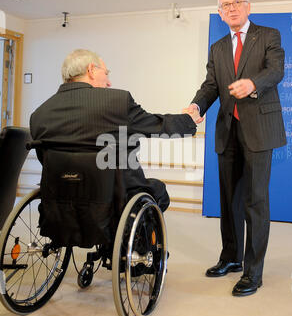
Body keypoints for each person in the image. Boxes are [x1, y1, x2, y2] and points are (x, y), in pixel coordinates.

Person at [189, 0, 286, 296]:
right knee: (230, 201)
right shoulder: (217, 48)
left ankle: (253, 272)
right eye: (225, 5)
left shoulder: (268, 36)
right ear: (220, 12)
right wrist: (196, 105)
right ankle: (230, 258)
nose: (231, 8)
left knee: (255, 201)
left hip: (259, 129)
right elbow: (210, 86)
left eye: (236, 2)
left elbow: (276, 71)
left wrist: (252, 84)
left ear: (248, 6)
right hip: (227, 131)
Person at [30, 49, 200, 215]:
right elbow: (157, 126)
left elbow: (44, 159)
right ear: (91, 70)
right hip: (113, 197)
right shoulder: (116, 102)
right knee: (159, 192)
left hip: (60, 198)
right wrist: (188, 120)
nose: (109, 82)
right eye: (106, 73)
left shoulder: (39, 114)